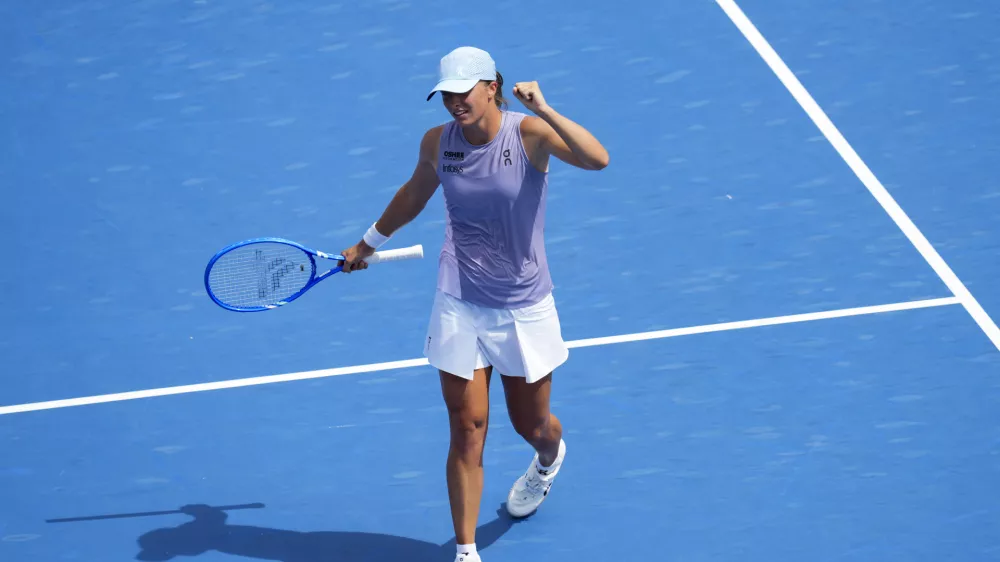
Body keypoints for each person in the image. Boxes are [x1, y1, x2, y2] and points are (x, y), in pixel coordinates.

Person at [339, 46, 609, 562]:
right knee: (467, 428)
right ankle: (466, 553)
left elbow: (598, 159)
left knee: (533, 426)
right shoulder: (438, 143)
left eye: (464, 91)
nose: (454, 103)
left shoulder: (528, 134)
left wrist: (546, 110)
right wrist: (367, 243)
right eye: (446, 94)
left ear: (491, 87)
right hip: (459, 299)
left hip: (523, 306)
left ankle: (548, 461)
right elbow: (414, 194)